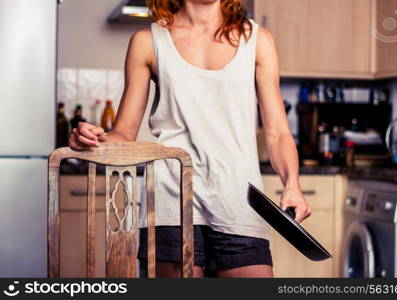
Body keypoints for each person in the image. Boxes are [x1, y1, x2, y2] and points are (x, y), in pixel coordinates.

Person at [69, 0, 311, 278]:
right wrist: (93, 140)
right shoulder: (148, 42)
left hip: (238, 200)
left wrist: (292, 184)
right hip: (171, 201)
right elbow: (124, 134)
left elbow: (278, 130)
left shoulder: (257, 40)